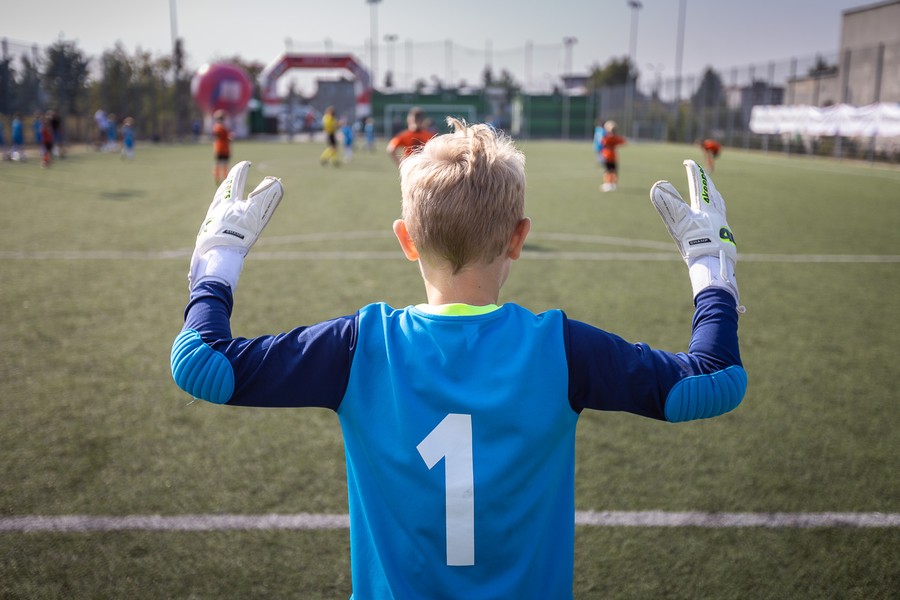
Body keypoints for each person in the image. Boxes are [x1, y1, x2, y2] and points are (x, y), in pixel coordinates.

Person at [171, 118, 745, 599]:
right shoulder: (559, 348)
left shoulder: (363, 346)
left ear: (406, 239)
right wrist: (710, 269)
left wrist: (218, 256)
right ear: (519, 238)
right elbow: (713, 379)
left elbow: (202, 364)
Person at [212, 110, 233, 185]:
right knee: (223, 164)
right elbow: (222, 137)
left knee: (219, 164)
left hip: (219, 148)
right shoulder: (220, 128)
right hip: (223, 149)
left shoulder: (217, 127)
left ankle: (218, 178)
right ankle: (224, 178)